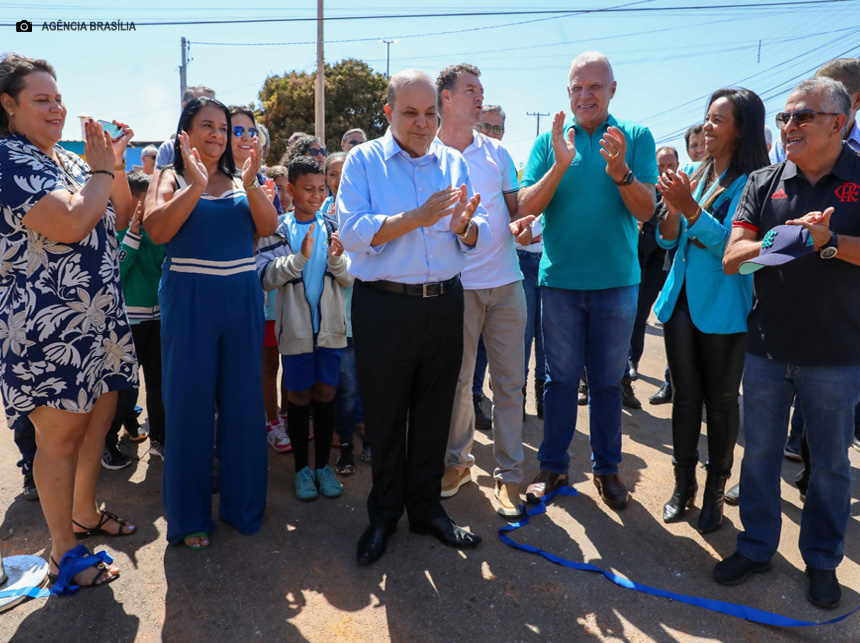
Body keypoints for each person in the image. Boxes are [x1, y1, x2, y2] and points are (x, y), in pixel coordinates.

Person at [716, 77, 860, 609]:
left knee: (829, 466)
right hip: (767, 350)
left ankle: (822, 561)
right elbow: (733, 258)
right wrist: (785, 241)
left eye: (802, 117)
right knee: (758, 458)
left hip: (837, 354)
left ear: (838, 123)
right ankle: (755, 547)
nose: (789, 126)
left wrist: (827, 243)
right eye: (784, 118)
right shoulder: (764, 181)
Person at [0, 53, 138, 593]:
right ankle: (63, 551)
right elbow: (74, 223)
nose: (56, 107)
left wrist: (115, 165)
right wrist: (101, 170)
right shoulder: (10, 160)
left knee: (96, 422)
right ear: (8, 106)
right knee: (58, 438)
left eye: (58, 98)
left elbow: (119, 216)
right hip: (46, 327)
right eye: (41, 99)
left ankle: (83, 513)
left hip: (98, 317)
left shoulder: (70, 161)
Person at [338, 69, 487, 564]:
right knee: (383, 417)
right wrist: (415, 219)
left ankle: (426, 510)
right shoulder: (364, 160)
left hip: (445, 302)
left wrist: (466, 228)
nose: (422, 124)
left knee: (433, 412)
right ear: (388, 113)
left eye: (430, 114)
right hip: (384, 304)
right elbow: (354, 230)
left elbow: (472, 229)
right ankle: (383, 515)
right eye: (410, 113)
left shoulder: (453, 161)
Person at [519, 52, 657, 509]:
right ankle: (553, 467)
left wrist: (621, 173)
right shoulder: (551, 140)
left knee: (606, 382)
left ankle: (608, 470)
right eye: (577, 87)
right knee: (559, 382)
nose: (585, 95)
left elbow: (646, 210)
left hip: (617, 283)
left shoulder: (634, 137)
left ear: (612, 90)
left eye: (595, 87)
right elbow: (525, 208)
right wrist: (560, 163)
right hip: (558, 283)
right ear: (568, 92)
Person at [145, 97, 278, 549]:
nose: (219, 135)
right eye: (208, 126)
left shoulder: (245, 178)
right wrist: (194, 186)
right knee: (189, 408)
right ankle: (190, 518)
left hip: (242, 298)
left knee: (243, 406)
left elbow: (267, 225)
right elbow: (157, 230)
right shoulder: (170, 176)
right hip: (190, 299)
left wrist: (252, 182)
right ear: (186, 131)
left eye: (225, 128)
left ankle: (243, 508)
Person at [654, 88, 767, 532]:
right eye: (706, 118)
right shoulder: (697, 174)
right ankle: (684, 487)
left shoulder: (754, 181)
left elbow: (733, 248)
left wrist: (689, 209)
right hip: (680, 300)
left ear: (742, 131)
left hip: (723, 306)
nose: (707, 127)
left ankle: (715, 496)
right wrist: (672, 207)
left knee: (720, 404)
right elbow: (668, 239)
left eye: (719, 120)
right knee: (685, 399)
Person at [436, 64, 533, 516]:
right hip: (455, 288)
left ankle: (510, 476)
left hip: (507, 283)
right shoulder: (427, 154)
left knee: (510, 384)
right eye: (470, 91)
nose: (479, 99)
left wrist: (525, 229)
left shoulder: (498, 154)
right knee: (457, 384)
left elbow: (515, 214)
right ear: (446, 98)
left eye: (481, 91)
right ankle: (457, 464)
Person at [257, 156, 353, 500]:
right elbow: (266, 278)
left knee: (326, 394)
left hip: (330, 330)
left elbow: (348, 277)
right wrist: (298, 259)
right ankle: (301, 470)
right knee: (297, 396)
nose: (315, 195)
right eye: (307, 189)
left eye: (320, 188)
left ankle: (323, 468)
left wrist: (338, 259)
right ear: (291, 189)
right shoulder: (277, 229)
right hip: (295, 330)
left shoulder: (331, 227)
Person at [103, 171, 167, 468]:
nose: (142, 212)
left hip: (157, 321)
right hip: (128, 325)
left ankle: (160, 437)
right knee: (124, 390)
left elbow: (163, 267)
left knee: (158, 384)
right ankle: (107, 443)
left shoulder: (157, 235)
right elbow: (117, 272)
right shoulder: (113, 233)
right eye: (137, 206)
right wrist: (131, 234)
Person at [628, 146, 678, 404]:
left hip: (673, 267)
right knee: (638, 316)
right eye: (660, 166)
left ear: (678, 165)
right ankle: (630, 367)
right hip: (647, 265)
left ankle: (672, 382)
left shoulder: (684, 193)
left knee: (674, 323)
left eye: (670, 165)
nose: (666, 171)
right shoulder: (647, 192)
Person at [155, 85, 215, 169]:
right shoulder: (169, 149)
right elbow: (160, 181)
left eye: (214, 105)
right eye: (202, 104)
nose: (210, 111)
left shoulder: (219, 147)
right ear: (185, 107)